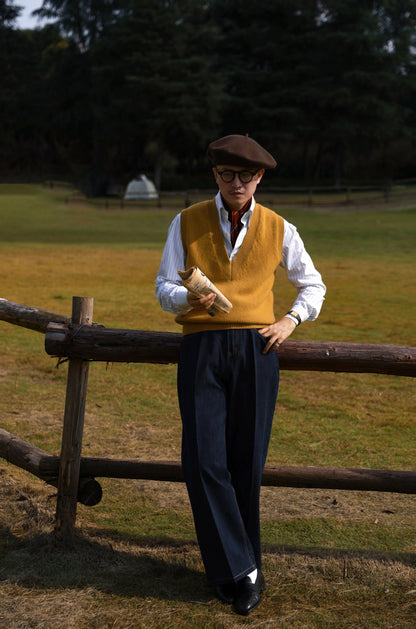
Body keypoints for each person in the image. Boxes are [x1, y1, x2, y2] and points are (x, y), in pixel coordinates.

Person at [155, 134, 326, 615]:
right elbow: (163, 285)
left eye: (246, 176)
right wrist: (187, 298)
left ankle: (234, 573)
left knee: (246, 463)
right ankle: (245, 571)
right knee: (203, 461)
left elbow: (312, 284)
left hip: (258, 347)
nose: (237, 183)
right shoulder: (185, 221)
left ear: (260, 178)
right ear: (215, 174)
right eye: (227, 174)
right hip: (201, 346)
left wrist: (290, 320)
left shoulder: (279, 227)